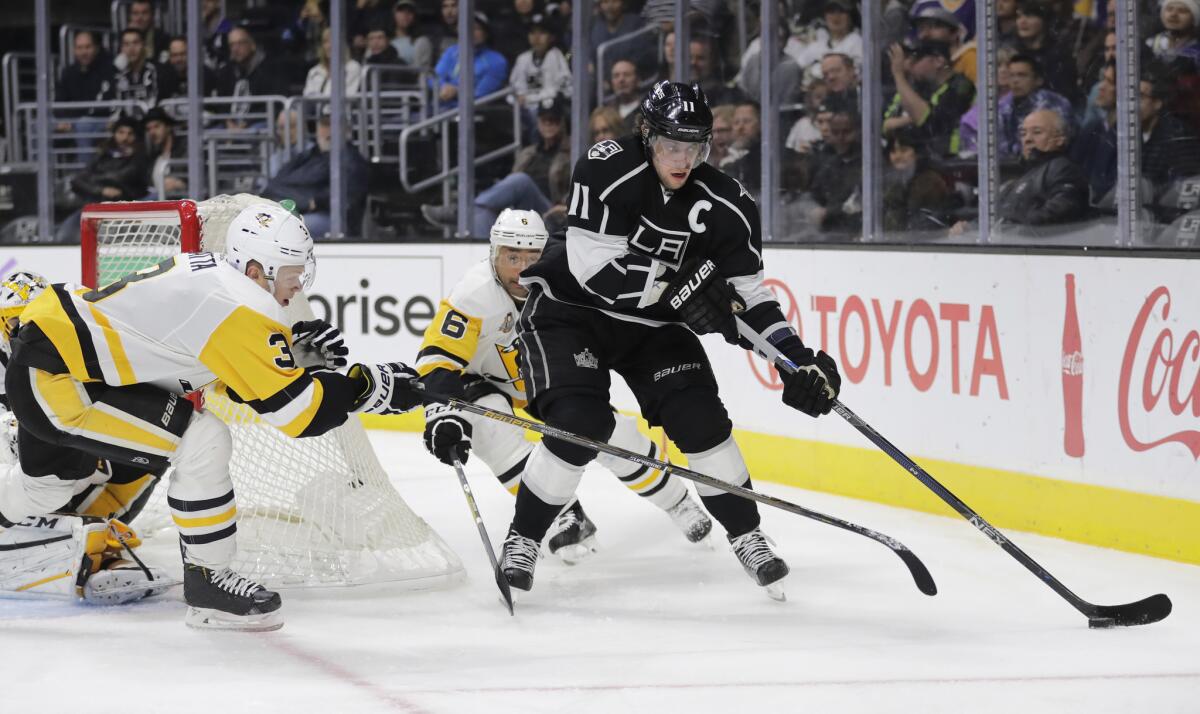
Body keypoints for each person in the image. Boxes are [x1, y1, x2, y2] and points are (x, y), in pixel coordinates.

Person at [1, 202, 424, 630]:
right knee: (202, 439)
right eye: (294, 274)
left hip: (52, 365)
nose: (298, 288)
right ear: (258, 269)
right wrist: (367, 387)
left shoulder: (213, 276)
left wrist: (289, 360)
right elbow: (298, 415)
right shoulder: (239, 304)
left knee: (42, 491)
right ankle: (209, 583)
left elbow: (222, 374)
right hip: (59, 379)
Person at [499, 81, 842, 599]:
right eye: (671, 146)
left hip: (654, 326)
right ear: (647, 135)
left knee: (701, 423)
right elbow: (593, 269)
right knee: (578, 421)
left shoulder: (729, 204)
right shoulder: (606, 167)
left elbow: (751, 298)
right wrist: (681, 287)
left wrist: (794, 361)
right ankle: (523, 537)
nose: (683, 159)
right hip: (572, 312)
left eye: (695, 147)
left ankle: (748, 536)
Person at [415, 210, 713, 561]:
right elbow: (438, 356)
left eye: (532, 257)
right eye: (512, 257)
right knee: (491, 431)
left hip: (550, 375)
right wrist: (442, 412)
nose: (522, 269)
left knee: (608, 435)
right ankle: (564, 515)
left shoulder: (570, 282)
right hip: (485, 379)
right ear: (493, 253)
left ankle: (677, 502)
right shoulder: (473, 294)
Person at [0, 272, 170, 604]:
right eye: (12, 321)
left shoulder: (80, 350)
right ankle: (96, 553)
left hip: (77, 478)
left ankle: (95, 546)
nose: (21, 329)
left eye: (27, 318)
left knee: (144, 450)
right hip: (26, 484)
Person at [422, 97, 570, 236]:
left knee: (521, 181)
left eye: (554, 121)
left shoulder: (572, 152)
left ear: (562, 123)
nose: (549, 125)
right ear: (538, 123)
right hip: (523, 211)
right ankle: (488, 260)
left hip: (552, 212)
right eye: (545, 121)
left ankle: (460, 212)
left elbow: (580, 189)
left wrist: (565, 208)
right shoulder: (528, 153)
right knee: (480, 212)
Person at [262, 111, 370, 239]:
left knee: (283, 227)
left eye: (332, 126)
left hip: (330, 218)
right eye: (324, 125)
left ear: (346, 131)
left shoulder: (353, 161)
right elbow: (276, 183)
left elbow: (346, 198)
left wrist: (314, 201)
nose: (327, 131)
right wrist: (304, 200)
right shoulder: (308, 155)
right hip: (293, 209)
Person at [883, 40, 976, 157]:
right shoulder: (918, 86)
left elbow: (929, 124)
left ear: (938, 61)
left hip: (954, 161)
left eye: (916, 60)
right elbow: (885, 126)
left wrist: (898, 74)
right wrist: (912, 118)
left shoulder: (961, 86)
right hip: (922, 161)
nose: (909, 66)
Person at [997, 54, 1073, 157]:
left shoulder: (1055, 103)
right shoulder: (1002, 106)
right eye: (1011, 75)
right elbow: (1000, 148)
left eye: (1022, 75)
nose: (1015, 81)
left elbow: (1058, 143)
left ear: (1038, 80)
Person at [432, 12, 509, 109]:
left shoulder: (497, 60)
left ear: (486, 33)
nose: (471, 32)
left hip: (473, 114)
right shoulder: (451, 52)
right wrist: (443, 86)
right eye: (467, 28)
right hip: (440, 109)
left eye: (477, 28)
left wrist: (457, 91)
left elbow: (481, 95)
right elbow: (433, 78)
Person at [112, 28, 178, 106]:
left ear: (144, 45)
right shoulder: (117, 75)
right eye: (126, 44)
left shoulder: (159, 71)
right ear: (121, 48)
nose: (131, 48)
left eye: (135, 43)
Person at [305, 27, 364, 96]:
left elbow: (347, 97)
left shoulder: (352, 67)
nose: (329, 46)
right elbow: (307, 97)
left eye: (333, 41)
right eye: (325, 42)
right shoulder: (314, 71)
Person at [144, 107, 187, 199]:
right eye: (149, 129)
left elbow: (194, 180)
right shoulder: (153, 156)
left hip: (178, 200)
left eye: (156, 126)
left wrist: (180, 184)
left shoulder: (184, 151)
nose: (152, 132)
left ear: (168, 127)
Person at [391, 0, 433, 71]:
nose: (405, 14)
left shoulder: (422, 42)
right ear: (394, 14)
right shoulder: (385, 40)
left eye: (410, 11)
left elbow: (422, 73)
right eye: (401, 11)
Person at [604, 58, 642, 136]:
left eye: (627, 75)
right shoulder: (605, 113)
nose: (621, 80)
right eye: (616, 76)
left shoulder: (647, 110)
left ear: (637, 80)